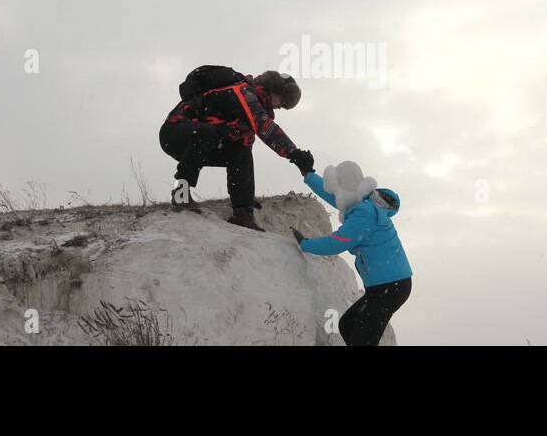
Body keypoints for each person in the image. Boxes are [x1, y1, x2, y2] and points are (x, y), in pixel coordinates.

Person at [159, 67, 314, 232]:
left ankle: (243, 213)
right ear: (274, 90)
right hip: (174, 132)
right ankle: (181, 193)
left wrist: (245, 195)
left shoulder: (253, 107)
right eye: (282, 102)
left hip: (201, 143)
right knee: (206, 132)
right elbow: (265, 128)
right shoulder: (244, 92)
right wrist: (294, 154)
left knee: (242, 150)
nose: (280, 107)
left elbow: (245, 147)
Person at [290, 161, 412, 346]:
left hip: (390, 288)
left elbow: (338, 242)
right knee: (348, 326)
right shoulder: (364, 205)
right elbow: (334, 196)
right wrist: (308, 175)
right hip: (383, 286)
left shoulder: (366, 213)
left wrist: (305, 244)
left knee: (361, 340)